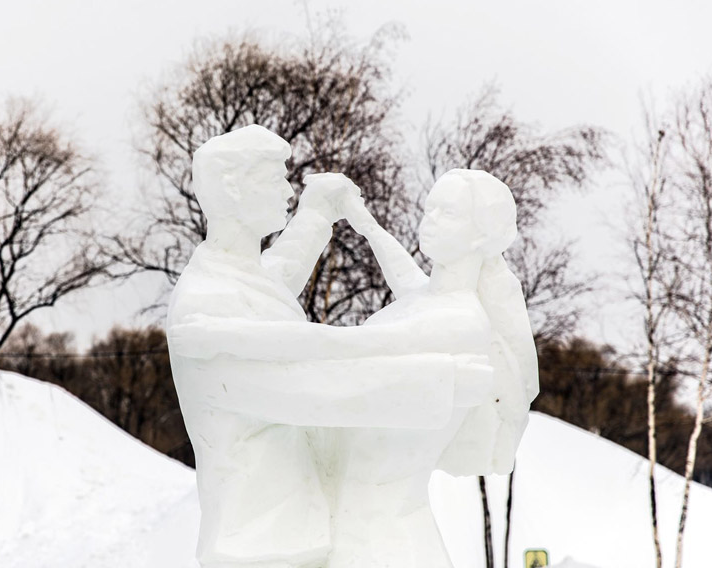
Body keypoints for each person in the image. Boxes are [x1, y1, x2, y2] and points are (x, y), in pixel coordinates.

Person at [167, 126, 493, 568]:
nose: (287, 189)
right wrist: (444, 383)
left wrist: (317, 215)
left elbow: (275, 280)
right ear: (232, 188)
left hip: (295, 529)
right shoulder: (207, 300)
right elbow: (311, 392)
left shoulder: (240, 276)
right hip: (257, 538)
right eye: (274, 179)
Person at [324, 168, 538, 567]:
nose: (431, 220)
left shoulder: (456, 321)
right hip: (363, 526)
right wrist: (362, 220)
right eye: (430, 208)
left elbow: (346, 349)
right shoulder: (429, 299)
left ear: (481, 234)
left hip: (383, 539)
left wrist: (238, 337)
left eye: (448, 213)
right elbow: (404, 275)